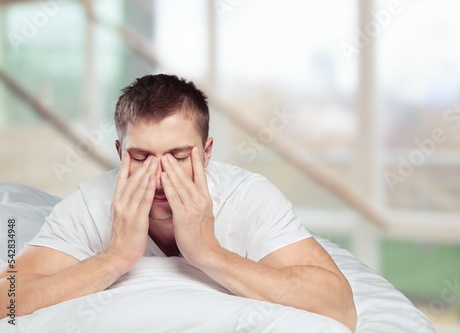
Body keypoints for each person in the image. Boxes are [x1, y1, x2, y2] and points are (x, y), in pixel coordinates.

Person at [0, 74, 357, 331]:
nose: (159, 177)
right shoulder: (91, 202)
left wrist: (209, 254)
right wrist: (113, 260)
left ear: (206, 153)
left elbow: (339, 305)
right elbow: (7, 299)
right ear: (119, 153)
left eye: (178, 156)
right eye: (140, 157)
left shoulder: (248, 196)